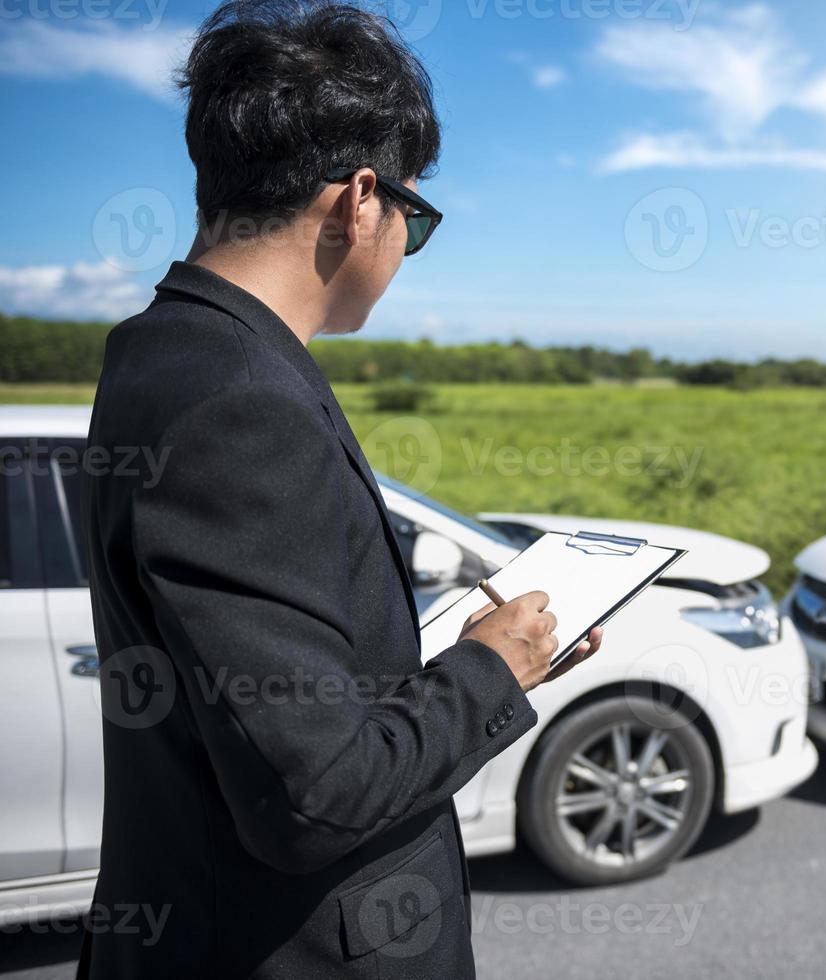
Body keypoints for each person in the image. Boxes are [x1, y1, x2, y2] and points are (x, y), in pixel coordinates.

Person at [79, 1, 599, 975]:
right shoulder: (242, 400)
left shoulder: (154, 348)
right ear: (361, 199)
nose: (404, 243)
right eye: (416, 215)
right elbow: (313, 795)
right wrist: (492, 671)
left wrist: (475, 654)